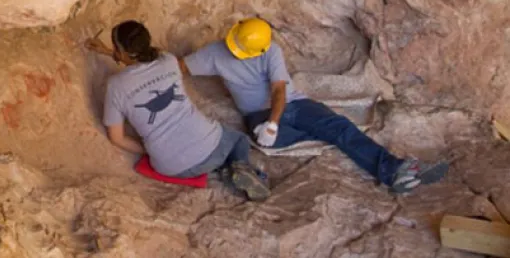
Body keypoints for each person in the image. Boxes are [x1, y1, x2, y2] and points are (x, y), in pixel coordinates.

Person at [180, 17, 449, 194]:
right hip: (257, 115)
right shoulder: (213, 53)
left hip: (290, 105)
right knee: (281, 139)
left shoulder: (270, 51)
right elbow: (178, 67)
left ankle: (394, 170)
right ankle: (257, 160)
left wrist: (273, 123)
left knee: (340, 127)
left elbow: (279, 90)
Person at [86, 20, 270, 201]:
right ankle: (239, 166)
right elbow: (145, 59)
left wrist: (150, 149)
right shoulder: (169, 61)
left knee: (199, 157)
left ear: (121, 51)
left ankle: (223, 170)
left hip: (171, 166)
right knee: (238, 139)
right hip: (211, 147)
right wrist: (111, 52)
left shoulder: (115, 86)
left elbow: (116, 138)